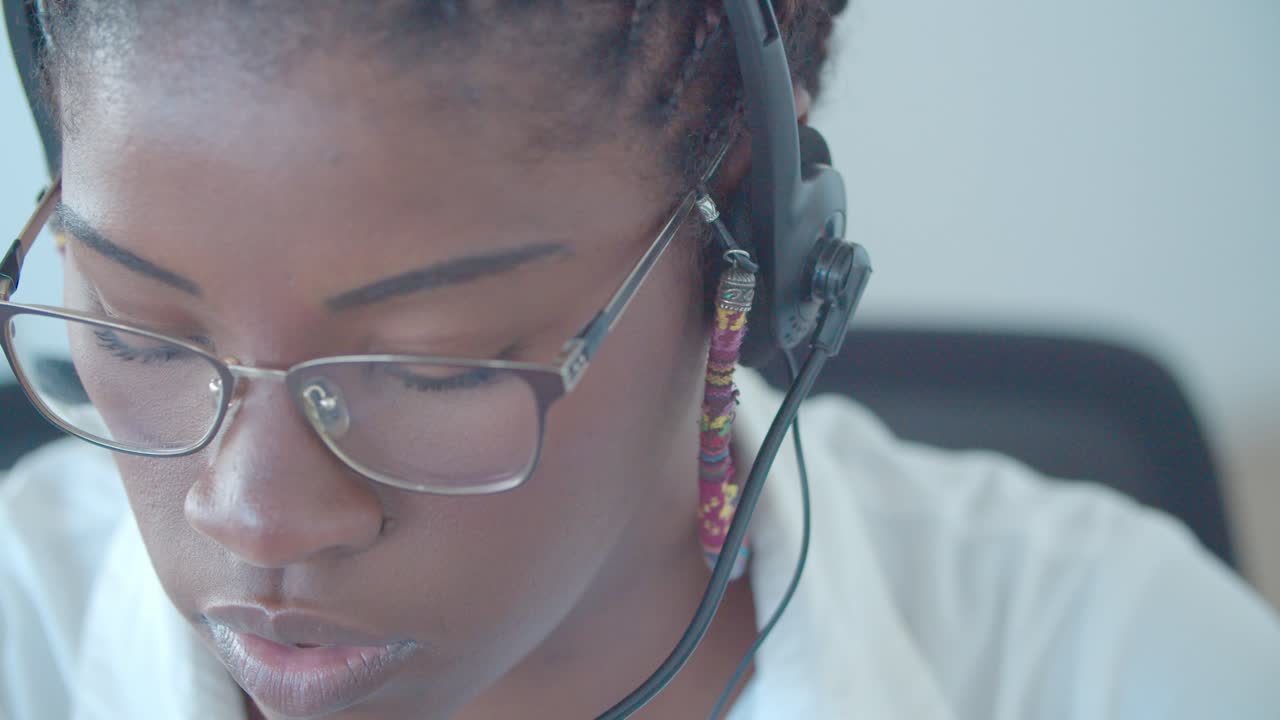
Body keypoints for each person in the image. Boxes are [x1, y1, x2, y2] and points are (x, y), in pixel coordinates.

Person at [2, 1, 1278, 719]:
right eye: (133, 332)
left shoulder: (1119, 671)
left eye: (431, 367)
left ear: (749, 256)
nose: (254, 515)